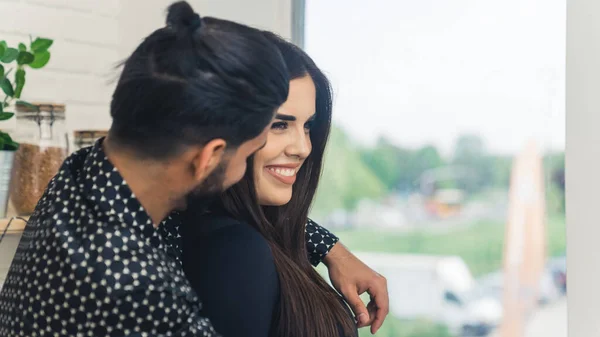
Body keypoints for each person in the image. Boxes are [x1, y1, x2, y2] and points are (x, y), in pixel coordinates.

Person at [0, 2, 290, 336]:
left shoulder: (76, 177)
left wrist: (325, 245)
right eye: (250, 153)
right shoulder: (142, 294)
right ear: (208, 157)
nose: (243, 171)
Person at [181, 32, 386, 337]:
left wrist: (330, 248)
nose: (303, 147)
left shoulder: (243, 234)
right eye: (279, 125)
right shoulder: (237, 252)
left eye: (308, 126)